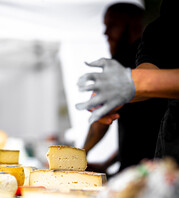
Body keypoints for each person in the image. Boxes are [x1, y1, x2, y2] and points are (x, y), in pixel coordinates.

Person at [76, 0, 179, 163]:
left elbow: (143, 81)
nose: (106, 33)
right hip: (158, 161)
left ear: (133, 25)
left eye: (112, 25)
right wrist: (106, 163)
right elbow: (148, 73)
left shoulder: (123, 58)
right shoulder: (156, 31)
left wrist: (79, 155)